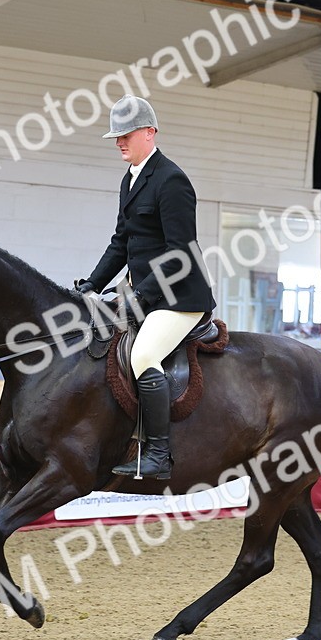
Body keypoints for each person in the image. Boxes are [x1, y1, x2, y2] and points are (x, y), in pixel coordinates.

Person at [74, 95, 216, 480]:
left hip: (179, 297)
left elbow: (180, 253)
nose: (119, 142)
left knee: (142, 356)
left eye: (127, 135)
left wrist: (139, 295)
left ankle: (157, 455)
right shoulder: (130, 179)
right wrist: (91, 284)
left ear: (150, 133)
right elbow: (121, 240)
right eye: (116, 136)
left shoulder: (171, 180)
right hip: (148, 293)